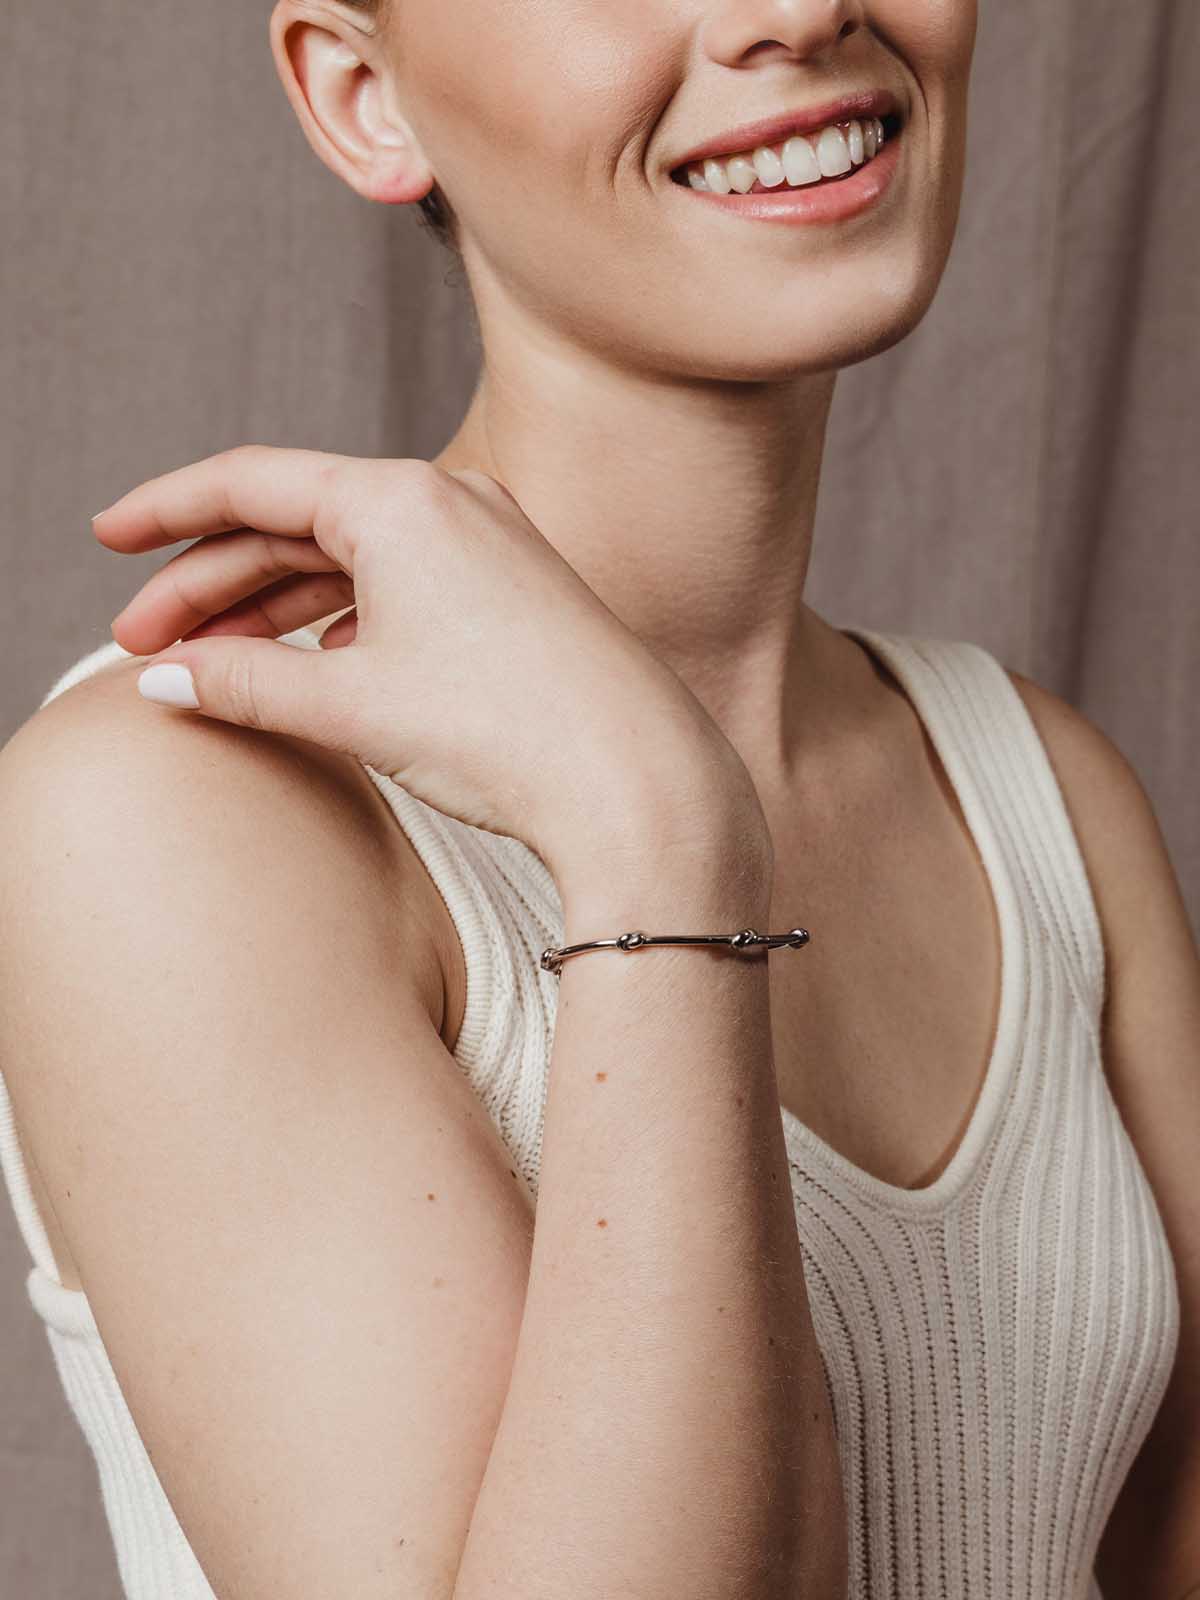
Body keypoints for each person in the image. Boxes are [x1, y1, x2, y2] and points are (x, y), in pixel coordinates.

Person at [0, 0, 1196, 1595]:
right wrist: (659, 839)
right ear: (366, 97)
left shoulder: (1045, 798)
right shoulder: (173, 815)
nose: (799, 11)